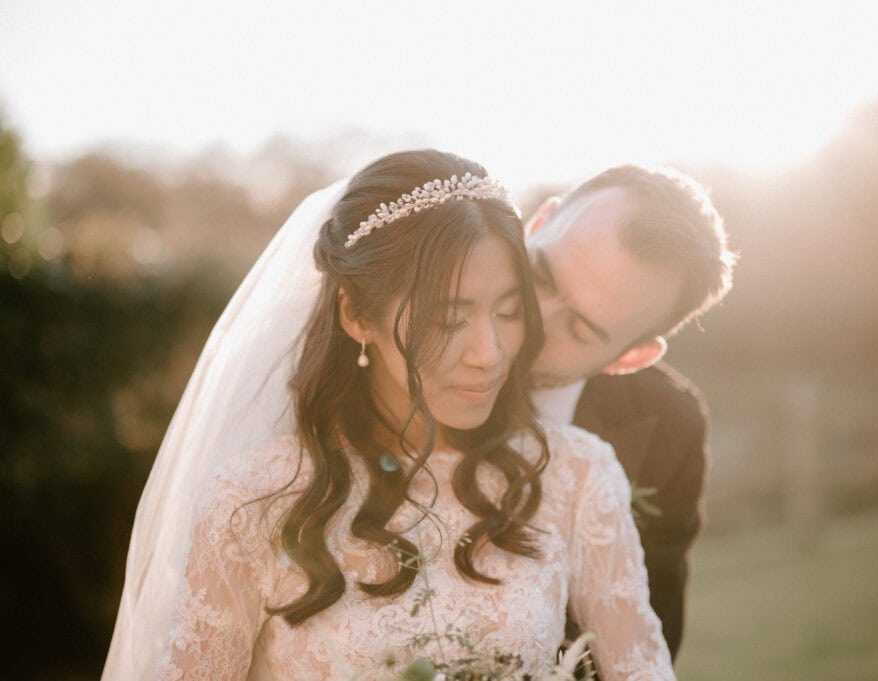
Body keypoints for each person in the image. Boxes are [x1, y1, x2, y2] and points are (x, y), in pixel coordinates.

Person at [101, 150, 676, 681]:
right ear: (355, 314)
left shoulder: (576, 476)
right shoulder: (251, 499)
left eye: (507, 312)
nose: (490, 353)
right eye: (448, 319)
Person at [525, 165, 735, 658]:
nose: (535, 321)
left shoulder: (669, 429)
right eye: (539, 275)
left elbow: (645, 643)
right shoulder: (392, 332)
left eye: (579, 329)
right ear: (537, 224)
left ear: (628, 358)